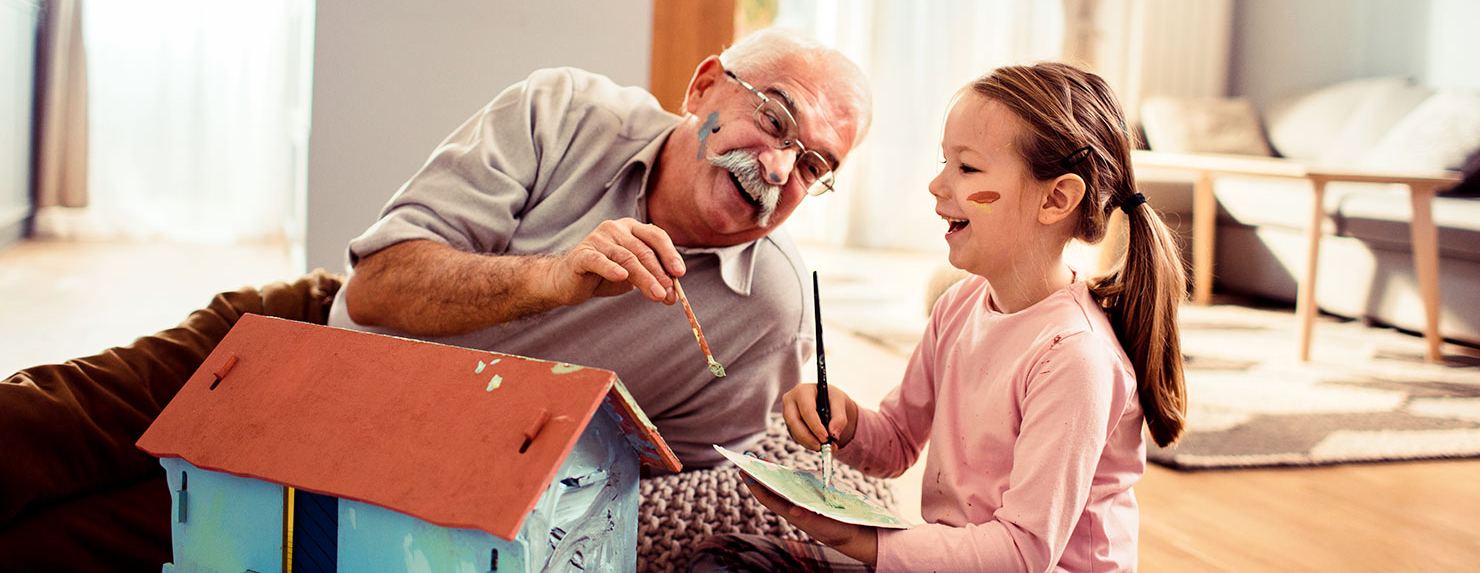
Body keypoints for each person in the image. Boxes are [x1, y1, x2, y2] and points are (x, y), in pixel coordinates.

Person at [690, 62, 1188, 572]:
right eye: (944, 161)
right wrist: (844, 420)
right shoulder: (959, 306)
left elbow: (1021, 554)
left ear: (1056, 198)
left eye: (967, 168)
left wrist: (859, 541)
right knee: (724, 559)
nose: (936, 184)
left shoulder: (1075, 358)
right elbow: (897, 443)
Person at [327, 28, 873, 469]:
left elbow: (671, 477)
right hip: (344, 407)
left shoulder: (775, 312)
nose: (778, 170)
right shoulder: (560, 113)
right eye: (774, 119)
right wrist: (550, 280)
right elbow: (373, 289)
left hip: (505, 496)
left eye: (812, 165)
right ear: (703, 87)